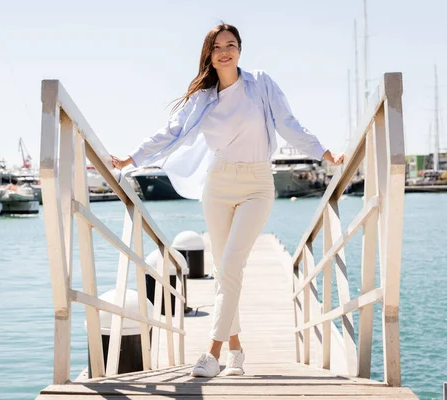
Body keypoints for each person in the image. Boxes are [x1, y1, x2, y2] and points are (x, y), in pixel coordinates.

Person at [111, 23, 344, 378]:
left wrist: (325, 153)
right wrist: (132, 158)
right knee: (224, 271)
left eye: (231, 45)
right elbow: (170, 131)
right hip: (218, 185)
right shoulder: (203, 98)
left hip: (257, 185)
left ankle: (212, 353)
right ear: (209, 54)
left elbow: (288, 123)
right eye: (217, 46)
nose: (225, 51)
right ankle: (235, 348)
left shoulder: (261, 83)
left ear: (240, 50)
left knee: (232, 265)